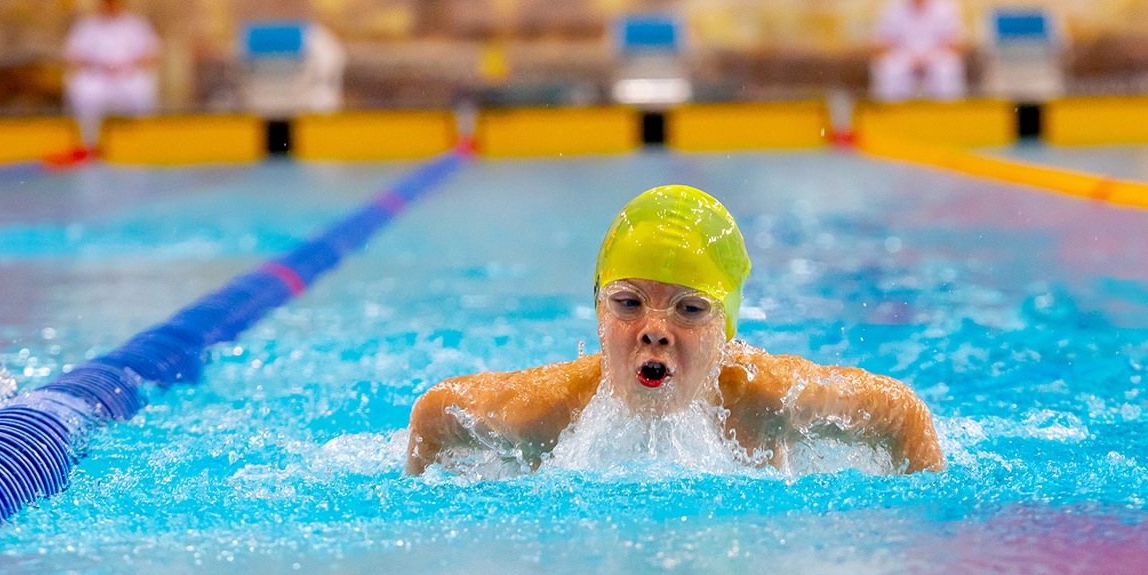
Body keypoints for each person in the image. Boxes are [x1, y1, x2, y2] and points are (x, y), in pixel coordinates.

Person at [404, 185, 945, 476]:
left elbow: (901, 412)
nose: (654, 331)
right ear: (597, 312)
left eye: (689, 310)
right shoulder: (546, 412)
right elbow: (435, 412)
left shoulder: (769, 398)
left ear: (726, 331)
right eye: (628, 303)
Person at [63, 0, 160, 144]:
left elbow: (152, 55)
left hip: (128, 76)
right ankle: (89, 142)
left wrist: (128, 65)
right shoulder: (86, 26)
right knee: (85, 92)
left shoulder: (136, 25)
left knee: (142, 90)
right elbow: (72, 58)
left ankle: (142, 139)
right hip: (96, 77)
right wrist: (97, 64)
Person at [870, 0, 967, 102]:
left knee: (946, 68)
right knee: (891, 70)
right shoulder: (892, 7)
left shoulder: (947, 7)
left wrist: (928, 57)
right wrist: (910, 57)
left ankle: (948, 113)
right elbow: (880, 44)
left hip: (936, 56)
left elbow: (957, 43)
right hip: (903, 57)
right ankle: (890, 114)